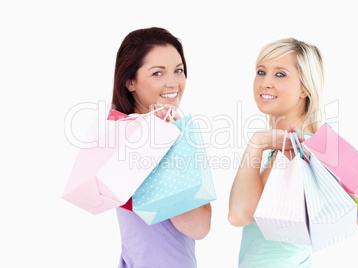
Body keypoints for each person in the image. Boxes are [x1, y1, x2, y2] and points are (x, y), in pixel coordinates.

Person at [111, 27, 212, 268]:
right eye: (157, 73)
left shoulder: (123, 133)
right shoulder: (139, 140)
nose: (173, 82)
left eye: (178, 70)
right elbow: (198, 226)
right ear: (130, 81)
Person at [228, 38, 325, 267]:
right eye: (261, 72)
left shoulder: (294, 149)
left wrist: (257, 143)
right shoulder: (302, 143)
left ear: (305, 88)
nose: (265, 82)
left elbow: (239, 215)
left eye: (280, 74)